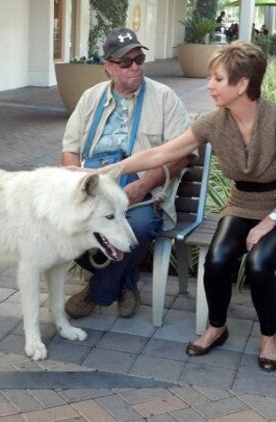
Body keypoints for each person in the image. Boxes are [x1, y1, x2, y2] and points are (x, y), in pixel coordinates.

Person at [97, 40, 276, 372]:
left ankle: (269, 337)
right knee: (219, 259)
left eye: (218, 79)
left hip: (275, 208)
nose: (209, 86)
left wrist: (268, 223)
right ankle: (217, 327)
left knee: (261, 264)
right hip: (240, 204)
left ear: (242, 84)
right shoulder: (212, 123)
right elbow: (161, 154)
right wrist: (107, 171)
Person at [61, 27, 190, 319]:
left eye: (139, 60)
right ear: (108, 67)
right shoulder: (90, 98)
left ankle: (97, 292)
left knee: (140, 227)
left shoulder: (164, 98)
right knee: (63, 226)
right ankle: (124, 283)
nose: (135, 67)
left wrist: (143, 185)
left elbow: (182, 155)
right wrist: (76, 184)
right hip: (93, 181)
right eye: (125, 62)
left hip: (141, 182)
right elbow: (70, 149)